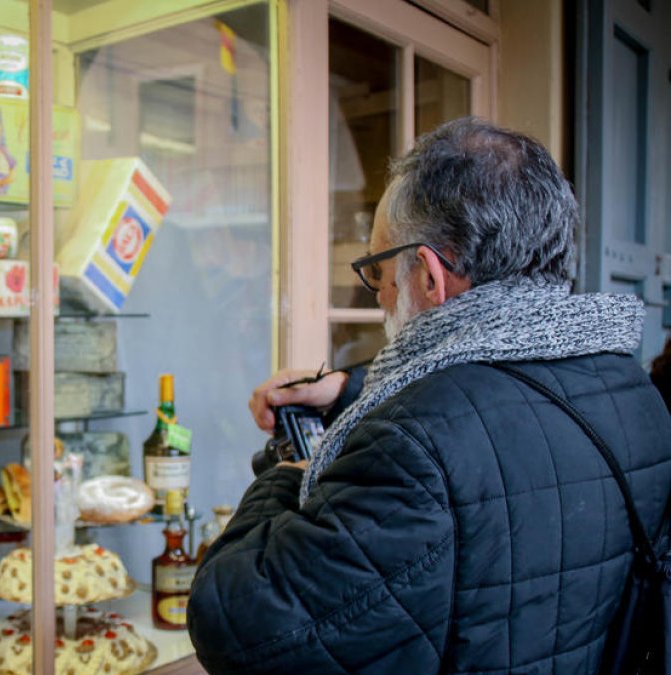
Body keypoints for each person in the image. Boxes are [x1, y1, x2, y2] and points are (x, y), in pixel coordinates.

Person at [188, 117, 671, 673]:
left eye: (378, 269)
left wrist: (291, 473)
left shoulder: (409, 449)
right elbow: (499, 398)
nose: (379, 294)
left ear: (428, 277)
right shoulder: (630, 388)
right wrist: (349, 388)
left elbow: (239, 626)